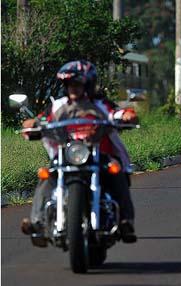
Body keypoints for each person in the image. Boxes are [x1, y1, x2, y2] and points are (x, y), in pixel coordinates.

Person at [20, 60, 138, 243]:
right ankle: (38, 223)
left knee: (117, 171)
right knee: (47, 175)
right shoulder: (58, 105)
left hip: (99, 153)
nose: (73, 88)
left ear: (87, 84)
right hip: (68, 153)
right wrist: (31, 125)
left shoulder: (99, 103)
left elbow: (116, 112)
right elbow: (41, 119)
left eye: (77, 83)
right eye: (69, 84)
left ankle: (125, 220)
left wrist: (126, 116)